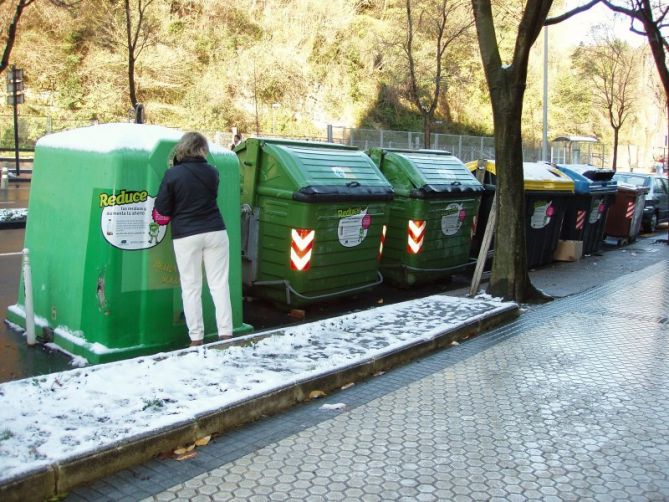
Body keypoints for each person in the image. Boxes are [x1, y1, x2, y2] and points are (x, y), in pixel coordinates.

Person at [154, 132, 233, 347]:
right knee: (219, 285)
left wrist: (161, 218)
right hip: (216, 232)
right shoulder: (213, 172)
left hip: (187, 235)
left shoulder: (172, 175)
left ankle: (196, 338)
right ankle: (226, 334)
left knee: (191, 287)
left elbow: (160, 215)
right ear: (202, 149)